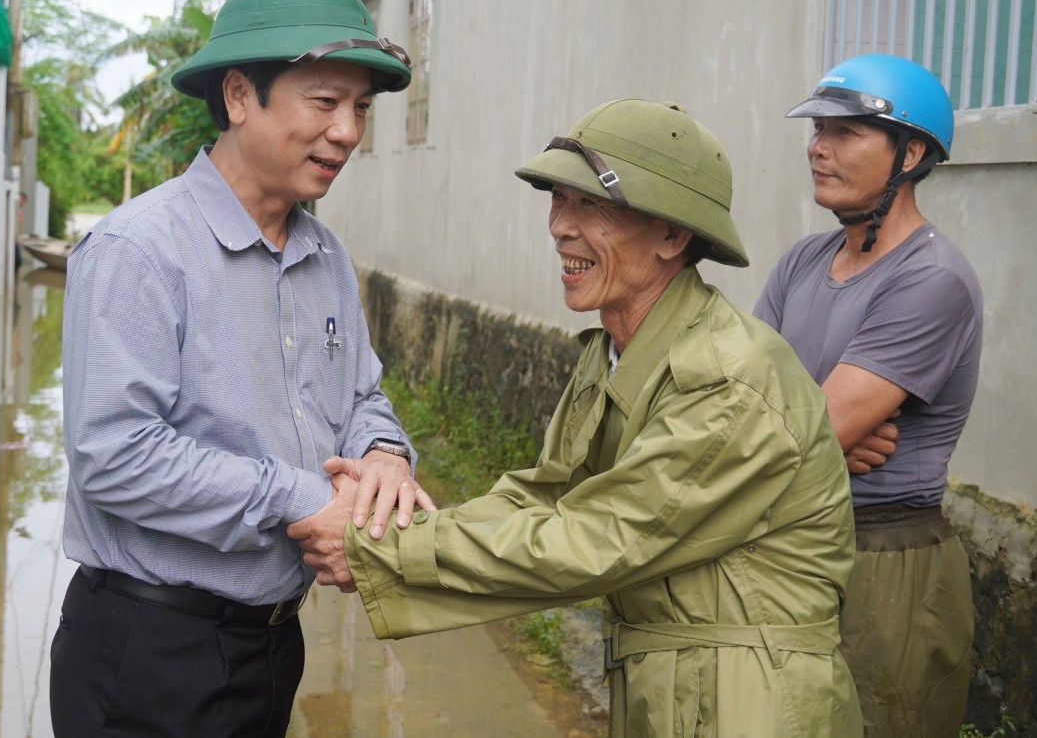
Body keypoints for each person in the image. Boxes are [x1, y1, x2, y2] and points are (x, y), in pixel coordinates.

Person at [290, 99, 864, 737]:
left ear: (673, 236)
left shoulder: (729, 378)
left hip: (751, 700)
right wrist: (382, 527)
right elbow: (548, 494)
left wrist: (374, 544)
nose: (561, 226)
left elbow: (598, 539)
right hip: (671, 686)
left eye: (594, 205)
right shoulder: (617, 352)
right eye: (558, 200)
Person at [49, 0, 435, 738]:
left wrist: (386, 455)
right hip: (149, 652)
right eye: (324, 102)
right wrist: (302, 500)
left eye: (360, 108)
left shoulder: (324, 255)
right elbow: (114, 453)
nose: (350, 131)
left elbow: (360, 396)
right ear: (236, 97)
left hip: (269, 644)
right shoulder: (141, 250)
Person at [753, 53, 981, 737]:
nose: (818, 148)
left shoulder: (932, 279)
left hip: (883, 566)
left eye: (845, 132)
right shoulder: (801, 262)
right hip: (787, 544)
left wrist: (809, 435)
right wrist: (823, 444)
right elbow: (731, 402)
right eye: (817, 129)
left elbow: (786, 434)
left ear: (911, 152)